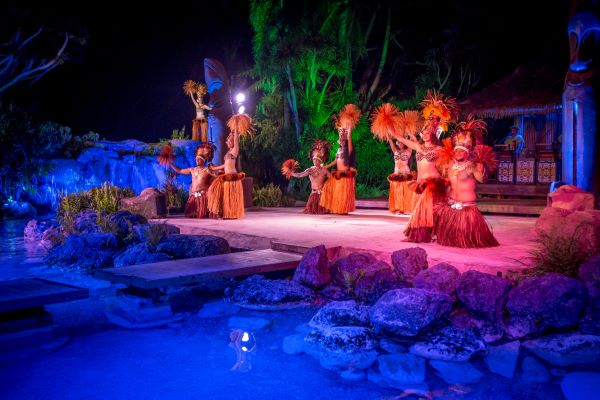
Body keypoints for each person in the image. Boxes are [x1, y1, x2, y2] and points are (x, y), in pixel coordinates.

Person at [395, 91, 459, 242]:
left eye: (428, 132)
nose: (424, 134)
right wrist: (389, 127)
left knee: (428, 211)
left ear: (433, 134)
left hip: (432, 185)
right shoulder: (418, 147)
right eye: (423, 132)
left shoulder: (439, 149)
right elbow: (400, 138)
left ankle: (434, 234)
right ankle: (423, 235)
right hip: (420, 184)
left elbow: (451, 164)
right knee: (421, 211)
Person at [435, 116, 499, 248]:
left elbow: (482, 179)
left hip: (467, 209)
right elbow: (444, 180)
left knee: (469, 242)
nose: (458, 152)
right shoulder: (449, 165)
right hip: (451, 207)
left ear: (467, 153)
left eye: (461, 151)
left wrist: (482, 169)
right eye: (456, 150)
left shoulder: (472, 165)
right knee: (449, 242)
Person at [207, 113, 251, 219]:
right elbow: (225, 165)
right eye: (228, 141)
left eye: (230, 141)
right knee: (219, 192)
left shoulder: (235, 151)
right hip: (226, 176)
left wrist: (235, 127)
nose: (228, 142)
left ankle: (232, 214)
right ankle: (225, 212)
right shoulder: (228, 153)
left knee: (232, 196)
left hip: (232, 176)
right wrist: (214, 168)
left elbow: (236, 139)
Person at [320, 104, 360, 215]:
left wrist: (349, 126)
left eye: (343, 140)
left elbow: (349, 137)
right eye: (340, 140)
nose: (341, 141)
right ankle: (336, 208)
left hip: (345, 174)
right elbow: (335, 161)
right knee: (330, 188)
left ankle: (343, 209)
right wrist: (326, 166)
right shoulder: (338, 150)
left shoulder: (349, 149)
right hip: (338, 173)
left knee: (343, 193)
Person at [168, 142, 217, 218]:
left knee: (202, 216)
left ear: (204, 160)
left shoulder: (207, 170)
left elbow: (216, 177)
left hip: (203, 197)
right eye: (196, 159)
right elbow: (180, 170)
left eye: (199, 159)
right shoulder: (192, 170)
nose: (197, 161)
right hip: (193, 197)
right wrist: (171, 164)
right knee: (191, 216)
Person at [282, 140, 332, 214]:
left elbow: (332, 178)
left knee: (324, 212)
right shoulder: (310, 170)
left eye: (316, 160)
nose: (314, 161)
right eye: (314, 160)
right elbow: (300, 174)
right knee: (312, 212)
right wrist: (292, 174)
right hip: (314, 195)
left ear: (320, 161)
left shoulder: (324, 170)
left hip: (322, 195)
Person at [387, 136, 415, 214]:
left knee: (405, 192)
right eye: (399, 143)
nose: (400, 144)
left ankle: (406, 208)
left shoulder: (408, 150)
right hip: (396, 173)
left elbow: (411, 141)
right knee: (397, 192)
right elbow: (391, 142)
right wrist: (388, 136)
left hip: (405, 173)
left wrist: (410, 134)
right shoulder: (395, 151)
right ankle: (399, 208)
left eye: (402, 143)